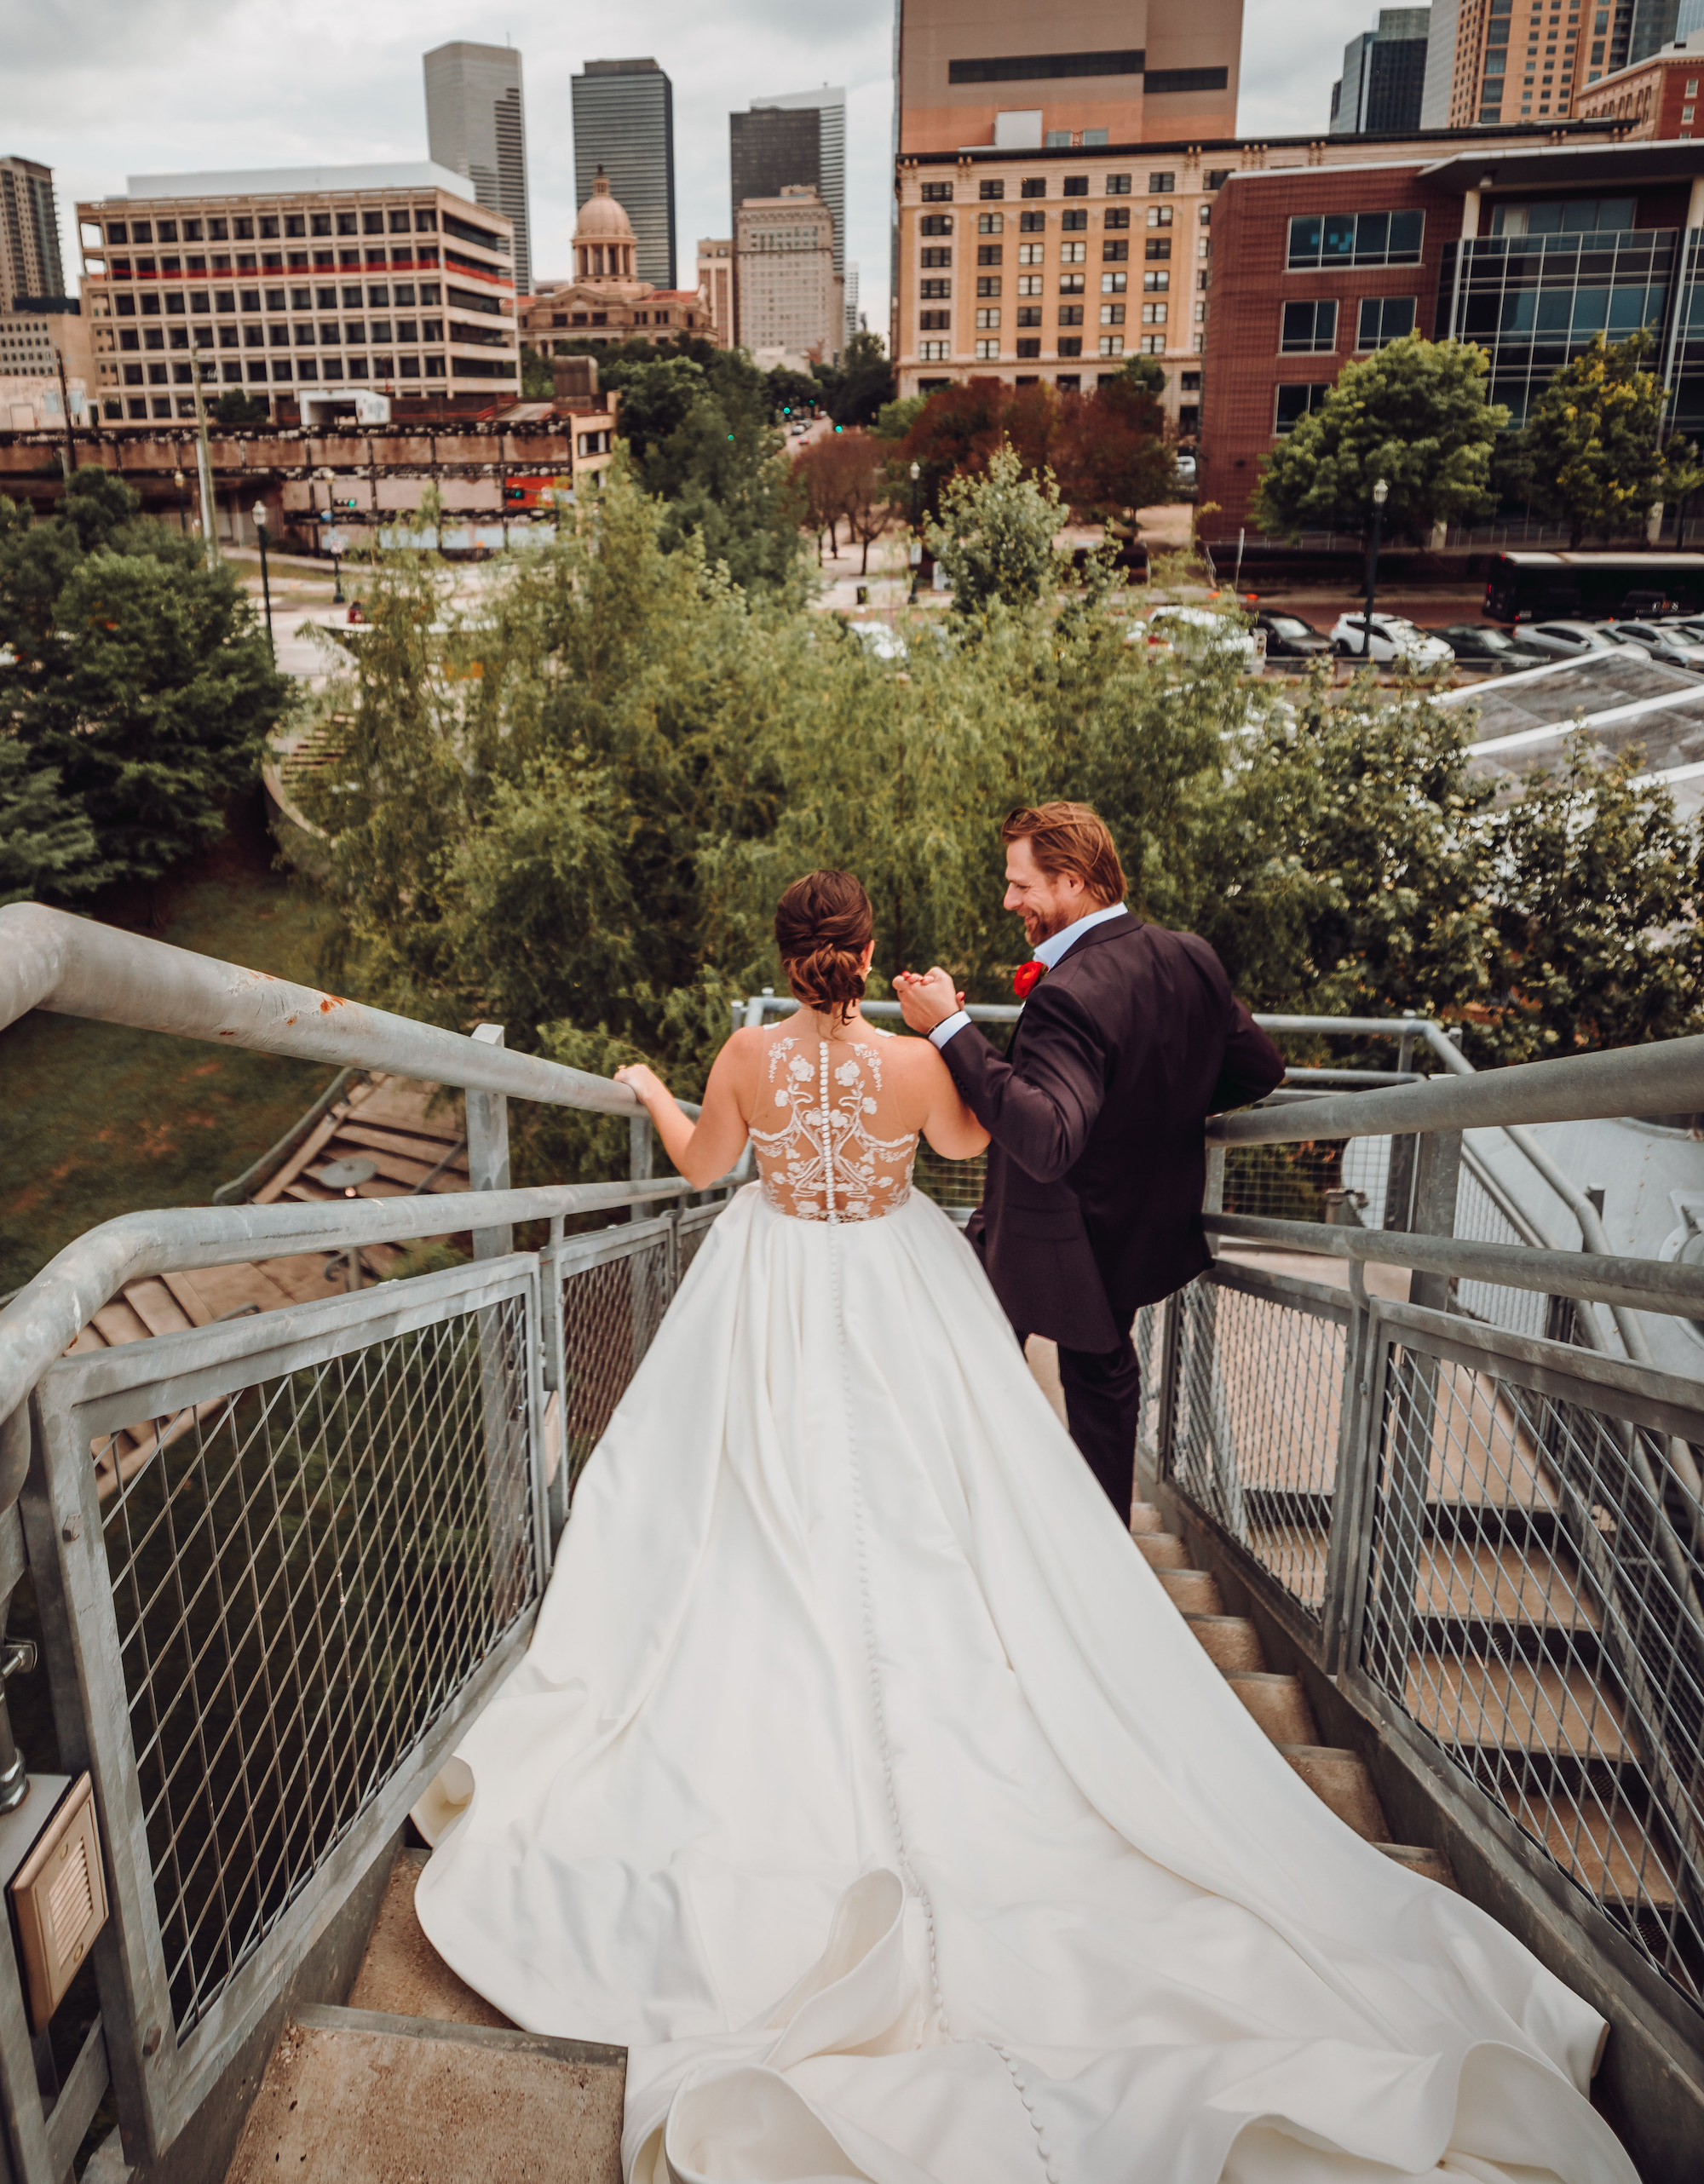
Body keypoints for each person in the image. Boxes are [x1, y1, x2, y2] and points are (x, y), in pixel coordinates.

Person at [414, 869, 1632, 2184]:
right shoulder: (901, 1061)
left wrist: (652, 1089)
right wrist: (937, 1041)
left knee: (740, 1500)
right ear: (870, 956)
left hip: (766, 1283)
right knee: (948, 1502)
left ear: (787, 957)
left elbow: (709, 1164)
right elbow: (964, 1149)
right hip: (890, 1281)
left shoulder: (745, 1055)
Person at [896, 802, 1283, 1522]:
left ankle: (964, 1527)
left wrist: (949, 1026)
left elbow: (1045, 1140)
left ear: (1072, 881)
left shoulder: (1068, 995)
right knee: (1101, 1373)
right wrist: (1150, 1116)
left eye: (1021, 885)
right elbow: (1259, 1068)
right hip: (1139, 1227)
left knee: (971, 1362)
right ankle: (1102, 1554)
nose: (1009, 900)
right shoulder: (1189, 955)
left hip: (1057, 1233)